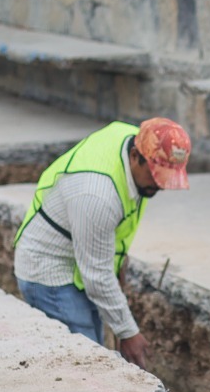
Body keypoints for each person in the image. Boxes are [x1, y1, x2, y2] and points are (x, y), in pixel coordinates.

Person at [13, 118, 191, 369]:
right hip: (50, 273)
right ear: (134, 156)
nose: (160, 184)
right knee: (87, 366)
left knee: (94, 351)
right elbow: (96, 275)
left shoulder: (141, 141)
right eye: (156, 174)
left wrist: (118, 269)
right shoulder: (96, 194)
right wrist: (128, 332)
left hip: (80, 260)